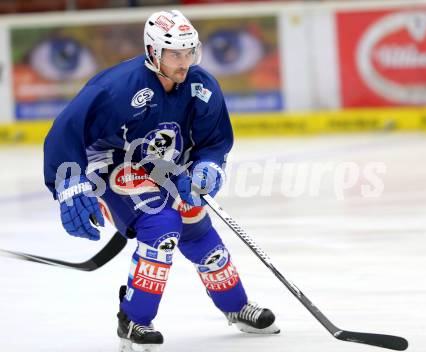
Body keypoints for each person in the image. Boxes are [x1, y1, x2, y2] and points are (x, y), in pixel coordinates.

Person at [43, 9, 279, 352]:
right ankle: (134, 319)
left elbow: (213, 143)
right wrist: (70, 184)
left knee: (195, 222)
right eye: (175, 54)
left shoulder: (202, 87)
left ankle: (235, 306)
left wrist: (207, 167)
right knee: (162, 222)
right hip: (111, 163)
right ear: (154, 52)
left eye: (189, 53)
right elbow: (65, 130)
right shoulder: (116, 88)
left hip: (160, 166)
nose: (184, 62)